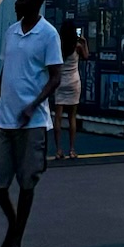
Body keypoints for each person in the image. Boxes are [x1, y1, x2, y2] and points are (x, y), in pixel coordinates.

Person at [0, 0, 63, 247]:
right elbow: (5, 71)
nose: (17, 2)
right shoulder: (11, 32)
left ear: (36, 2)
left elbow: (55, 76)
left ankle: (15, 241)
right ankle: (14, 222)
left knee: (27, 182)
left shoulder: (48, 35)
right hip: (3, 118)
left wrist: (35, 103)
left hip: (32, 122)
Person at [52, 17, 88, 161]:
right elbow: (86, 57)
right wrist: (85, 43)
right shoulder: (77, 46)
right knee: (72, 117)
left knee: (58, 117)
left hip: (60, 82)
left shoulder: (59, 45)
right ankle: (72, 149)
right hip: (74, 82)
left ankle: (58, 150)